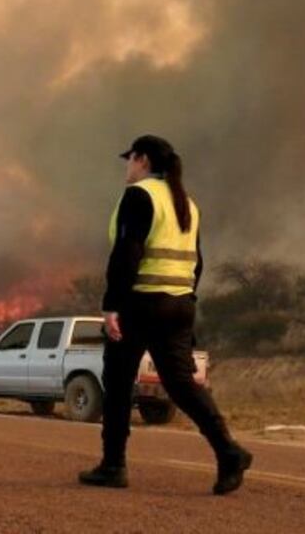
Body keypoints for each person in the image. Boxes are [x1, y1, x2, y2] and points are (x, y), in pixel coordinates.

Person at [79, 135, 252, 495]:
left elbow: (127, 253)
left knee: (118, 383)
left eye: (130, 159)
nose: (127, 167)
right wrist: (187, 299)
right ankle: (228, 451)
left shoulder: (139, 195)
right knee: (181, 385)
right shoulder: (185, 202)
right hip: (179, 305)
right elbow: (197, 261)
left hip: (140, 304)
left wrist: (112, 306)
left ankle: (113, 466)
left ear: (142, 160)